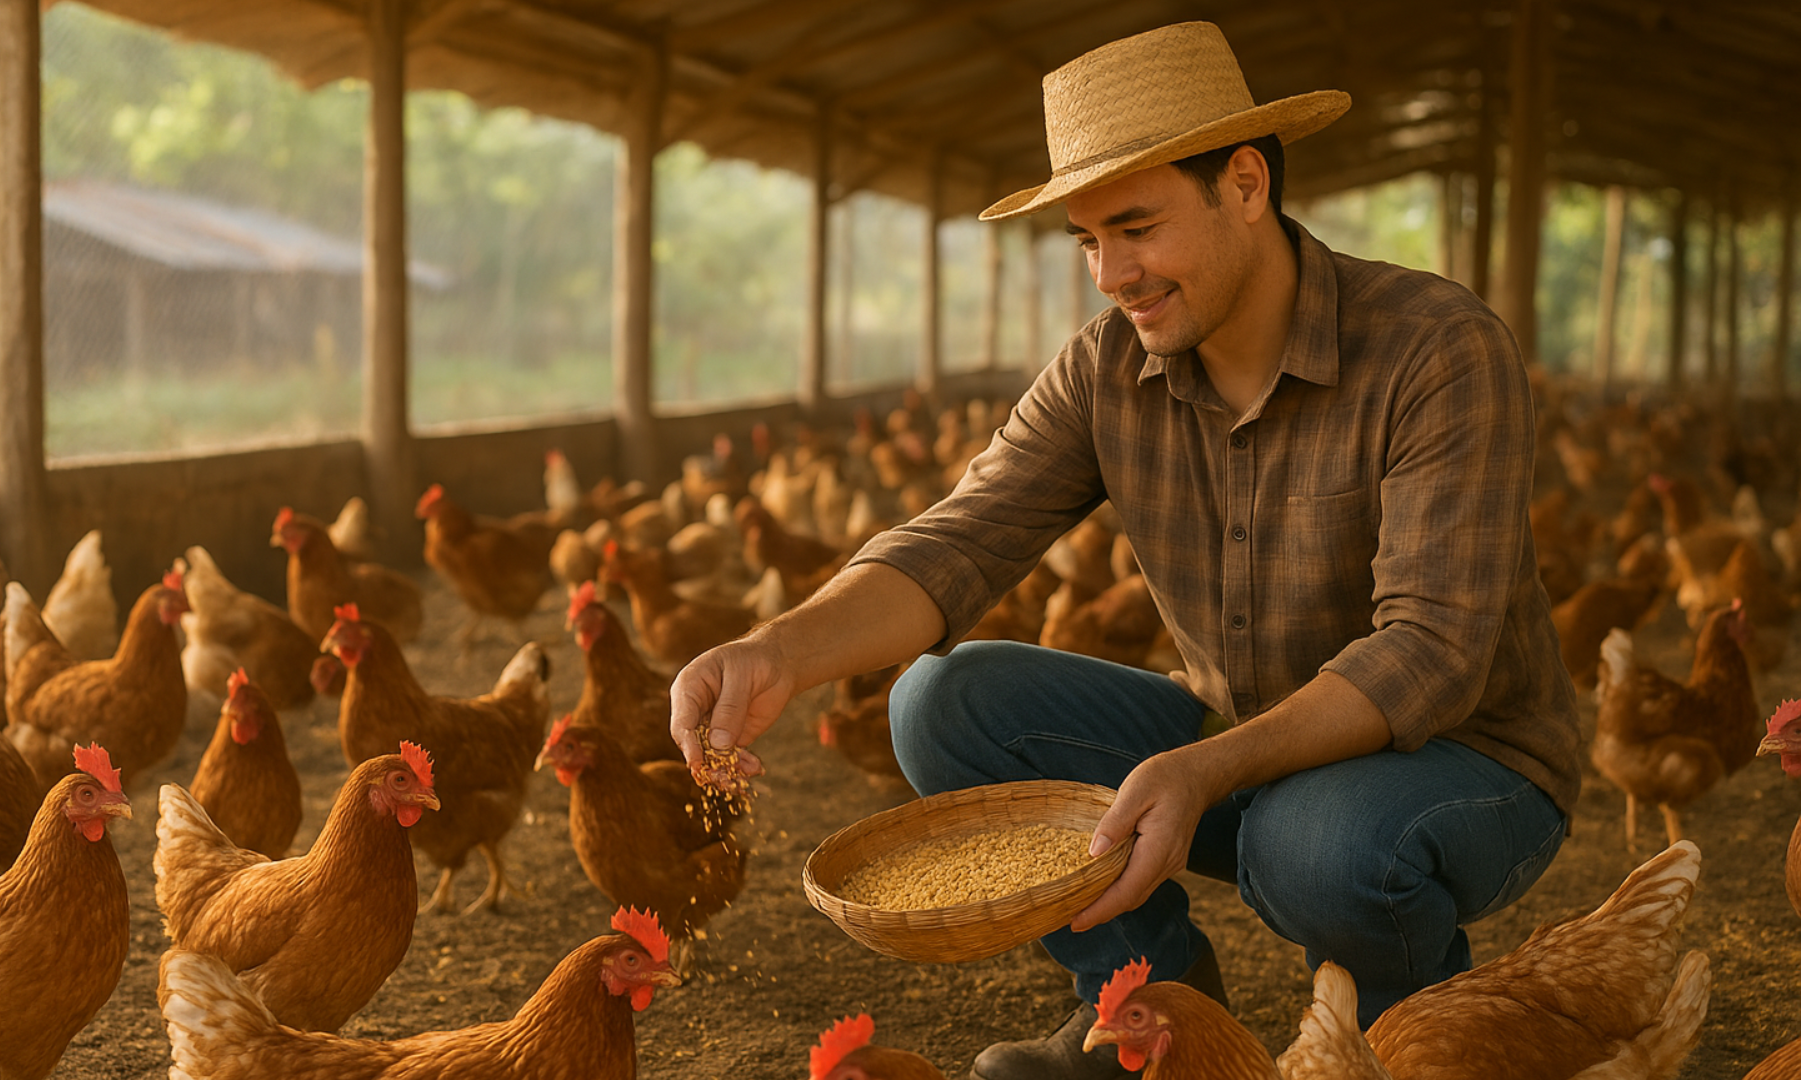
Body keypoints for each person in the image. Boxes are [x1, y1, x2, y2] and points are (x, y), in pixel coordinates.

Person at [671, 20, 1578, 1080]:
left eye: (1136, 227)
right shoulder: (1106, 368)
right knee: (939, 700)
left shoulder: (1434, 346)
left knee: (1313, 846)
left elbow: (1430, 650)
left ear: (1244, 184)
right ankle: (1145, 1010)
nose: (1110, 273)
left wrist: (1207, 769)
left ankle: (1412, 1036)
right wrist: (779, 650)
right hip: (1233, 740)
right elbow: (958, 539)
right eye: (1088, 240)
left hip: (1462, 760)